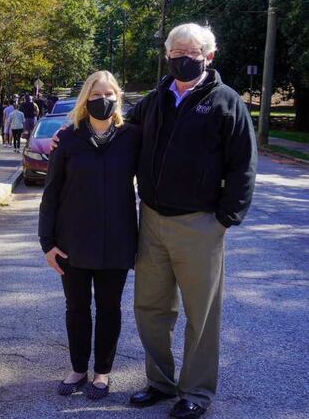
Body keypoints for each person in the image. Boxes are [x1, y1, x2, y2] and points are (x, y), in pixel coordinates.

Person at [126, 23, 256, 419]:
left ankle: (196, 391)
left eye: (192, 53)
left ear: (208, 56)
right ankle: (160, 383)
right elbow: (120, 137)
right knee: (150, 307)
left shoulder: (227, 102)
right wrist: (74, 136)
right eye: (175, 53)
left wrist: (225, 218)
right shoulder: (153, 101)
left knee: (202, 313)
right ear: (167, 56)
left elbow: (243, 166)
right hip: (151, 219)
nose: (182, 60)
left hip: (200, 224)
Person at [39, 70, 141, 401]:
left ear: (119, 98)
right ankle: (78, 369)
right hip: (73, 243)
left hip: (117, 242)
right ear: (86, 99)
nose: (103, 100)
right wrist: (48, 243)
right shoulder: (67, 138)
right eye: (96, 95)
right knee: (77, 308)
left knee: (110, 308)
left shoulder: (132, 138)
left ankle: (103, 373)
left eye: (109, 93)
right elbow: (51, 193)